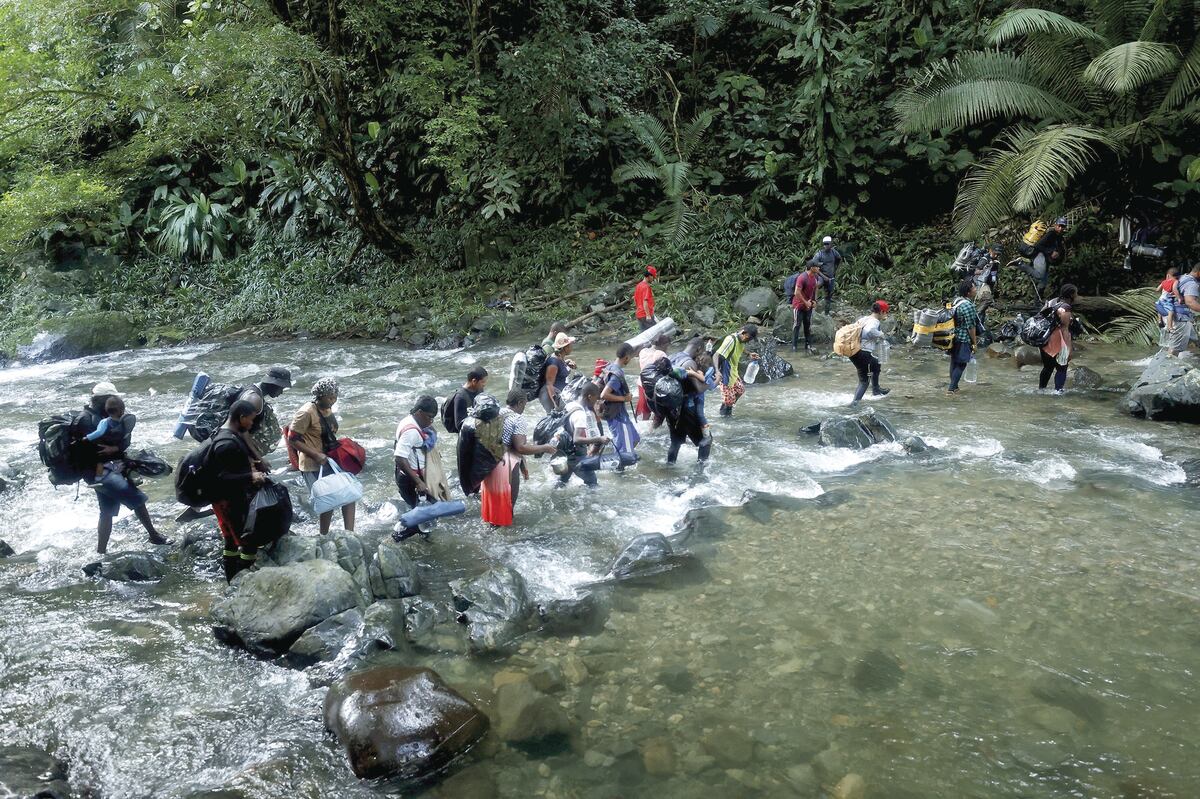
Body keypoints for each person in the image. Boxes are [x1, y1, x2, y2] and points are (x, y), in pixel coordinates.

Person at [77, 382, 170, 554]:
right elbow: (89, 450)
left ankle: (101, 551)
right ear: (100, 401)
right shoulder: (86, 420)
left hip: (111, 468)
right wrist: (114, 450)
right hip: (98, 472)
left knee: (107, 510)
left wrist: (116, 449)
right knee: (137, 498)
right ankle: (154, 535)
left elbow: (123, 439)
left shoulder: (109, 417)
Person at [209, 400, 268, 582]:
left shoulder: (229, 434)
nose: (252, 424)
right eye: (250, 420)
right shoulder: (226, 443)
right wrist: (251, 477)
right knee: (248, 542)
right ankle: (242, 583)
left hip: (223, 499)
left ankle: (232, 581)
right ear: (241, 417)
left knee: (230, 541)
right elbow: (221, 477)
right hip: (228, 501)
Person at [288, 377, 355, 535]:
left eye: (335, 396)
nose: (333, 400)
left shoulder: (327, 409)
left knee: (349, 494)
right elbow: (292, 439)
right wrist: (315, 455)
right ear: (319, 396)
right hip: (313, 463)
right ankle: (323, 535)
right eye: (330, 396)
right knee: (327, 499)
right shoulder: (306, 412)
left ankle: (350, 534)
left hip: (330, 460)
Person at [483, 390, 557, 526]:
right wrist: (545, 447)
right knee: (508, 505)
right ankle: (505, 541)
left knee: (492, 508)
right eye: (525, 405)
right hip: (505, 466)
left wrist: (523, 465)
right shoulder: (518, 418)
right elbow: (521, 447)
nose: (524, 408)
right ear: (520, 403)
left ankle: (490, 534)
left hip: (487, 463)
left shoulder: (497, 412)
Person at [393, 396, 438, 541]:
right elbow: (399, 457)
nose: (431, 421)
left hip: (407, 475)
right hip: (411, 479)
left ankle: (425, 537)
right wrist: (418, 482)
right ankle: (397, 536)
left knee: (424, 509)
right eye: (429, 417)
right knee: (425, 511)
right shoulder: (411, 431)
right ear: (419, 412)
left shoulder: (409, 420)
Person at [667, 338, 712, 465]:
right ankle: (702, 470)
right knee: (706, 439)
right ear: (698, 349)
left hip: (672, 409)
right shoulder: (689, 363)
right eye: (701, 351)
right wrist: (712, 383)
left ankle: (669, 466)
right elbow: (698, 389)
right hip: (687, 409)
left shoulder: (672, 357)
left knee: (675, 443)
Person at [557, 382, 609, 487]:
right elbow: (577, 439)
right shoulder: (580, 415)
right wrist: (599, 439)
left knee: (563, 481)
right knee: (592, 482)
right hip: (577, 454)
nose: (596, 401)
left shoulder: (571, 405)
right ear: (589, 396)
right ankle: (593, 503)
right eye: (596, 398)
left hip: (566, 451)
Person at [235, 365, 292, 460]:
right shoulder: (254, 399)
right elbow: (240, 430)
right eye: (281, 388)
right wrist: (257, 459)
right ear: (273, 384)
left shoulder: (256, 393)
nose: (281, 392)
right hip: (239, 450)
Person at [599, 343, 640, 463]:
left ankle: (618, 455)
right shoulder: (617, 375)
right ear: (626, 357)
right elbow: (604, 395)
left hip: (619, 415)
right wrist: (624, 399)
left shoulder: (610, 366)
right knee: (625, 452)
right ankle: (620, 472)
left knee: (635, 439)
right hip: (618, 417)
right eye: (630, 358)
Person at [848, 301, 891, 405]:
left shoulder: (864, 319)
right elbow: (869, 331)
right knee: (864, 382)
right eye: (886, 312)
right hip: (863, 353)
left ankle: (876, 390)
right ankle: (854, 404)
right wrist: (880, 334)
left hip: (853, 351)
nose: (886, 315)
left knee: (876, 363)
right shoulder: (875, 321)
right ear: (881, 312)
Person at [1039, 284, 1079, 393]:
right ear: (1071, 295)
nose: (1077, 295)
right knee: (1062, 367)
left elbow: (1040, 315)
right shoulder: (1065, 308)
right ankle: (1058, 392)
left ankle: (1041, 390)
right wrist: (1069, 349)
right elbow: (1065, 329)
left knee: (1047, 367)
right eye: (1076, 293)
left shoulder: (1052, 301)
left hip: (1044, 338)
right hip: (1057, 340)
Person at [713, 324, 760, 417]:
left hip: (733, 371)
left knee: (740, 390)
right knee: (729, 400)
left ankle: (726, 406)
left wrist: (749, 354)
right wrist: (717, 371)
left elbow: (740, 347)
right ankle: (725, 418)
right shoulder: (730, 340)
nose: (749, 341)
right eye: (749, 338)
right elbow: (716, 355)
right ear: (744, 333)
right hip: (725, 373)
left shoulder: (742, 340)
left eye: (750, 339)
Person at [1022, 217, 1069, 295]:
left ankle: (1038, 300)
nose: (1061, 228)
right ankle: (1021, 264)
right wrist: (1050, 252)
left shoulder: (1059, 237)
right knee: (1041, 277)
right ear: (1055, 225)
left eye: (1063, 226)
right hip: (1040, 257)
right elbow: (1037, 245)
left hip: (1046, 260)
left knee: (1044, 280)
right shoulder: (1050, 234)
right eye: (1059, 226)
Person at [948, 278, 978, 395]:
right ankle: (951, 389)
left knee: (954, 361)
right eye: (974, 287)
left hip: (953, 336)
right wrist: (974, 342)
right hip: (963, 338)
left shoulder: (956, 301)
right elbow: (971, 326)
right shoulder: (968, 306)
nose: (976, 289)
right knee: (961, 363)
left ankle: (954, 387)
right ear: (968, 292)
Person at [1166, 263, 1200, 356]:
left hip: (1174, 315)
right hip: (1180, 318)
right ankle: (1167, 368)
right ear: (1198, 273)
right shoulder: (1192, 284)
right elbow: (1190, 302)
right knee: (1174, 350)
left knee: (1197, 340)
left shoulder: (1183, 277)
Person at [443, 366, 488, 433]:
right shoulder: (460, 397)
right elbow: (459, 425)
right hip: (466, 436)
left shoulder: (479, 390)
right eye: (482, 382)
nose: (484, 384)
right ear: (474, 381)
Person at [636, 334, 671, 421]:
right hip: (654, 386)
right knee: (658, 410)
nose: (667, 348)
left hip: (641, 382)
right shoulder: (661, 354)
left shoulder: (643, 351)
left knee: (644, 409)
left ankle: (643, 427)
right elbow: (667, 370)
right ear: (663, 344)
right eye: (667, 346)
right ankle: (654, 430)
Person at [791, 260, 824, 353]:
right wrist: (805, 302)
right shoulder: (802, 278)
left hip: (808, 305)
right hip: (799, 305)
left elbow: (815, 288)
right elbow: (796, 292)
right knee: (797, 325)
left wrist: (815, 301)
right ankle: (794, 347)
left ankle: (808, 345)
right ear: (812, 267)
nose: (819, 268)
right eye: (817, 267)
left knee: (807, 325)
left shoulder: (815, 277)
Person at [539, 332, 575, 413]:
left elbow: (560, 368)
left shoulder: (560, 358)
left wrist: (567, 363)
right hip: (549, 395)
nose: (571, 347)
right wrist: (556, 404)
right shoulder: (553, 363)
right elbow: (549, 385)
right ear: (564, 348)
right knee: (554, 419)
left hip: (558, 393)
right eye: (570, 345)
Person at [812, 235, 842, 314]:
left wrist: (836, 270)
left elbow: (839, 259)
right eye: (825, 244)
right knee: (816, 286)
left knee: (829, 296)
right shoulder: (819, 254)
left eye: (828, 244)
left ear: (831, 244)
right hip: (820, 275)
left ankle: (826, 314)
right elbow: (813, 267)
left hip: (831, 277)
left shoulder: (833, 252)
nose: (826, 245)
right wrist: (824, 276)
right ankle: (813, 308)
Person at [972, 244, 1001, 324]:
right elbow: (976, 272)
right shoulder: (984, 260)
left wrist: (996, 285)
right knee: (987, 299)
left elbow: (994, 274)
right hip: (982, 284)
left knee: (984, 306)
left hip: (990, 284)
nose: (996, 255)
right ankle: (975, 315)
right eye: (995, 253)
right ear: (990, 251)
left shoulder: (996, 260)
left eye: (998, 254)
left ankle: (980, 325)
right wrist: (985, 270)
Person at [634, 266, 658, 330]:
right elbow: (645, 301)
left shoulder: (638, 285)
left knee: (644, 335)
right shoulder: (646, 287)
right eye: (653, 277)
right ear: (649, 276)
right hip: (645, 315)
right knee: (655, 333)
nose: (653, 279)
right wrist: (648, 315)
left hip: (639, 314)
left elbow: (635, 299)